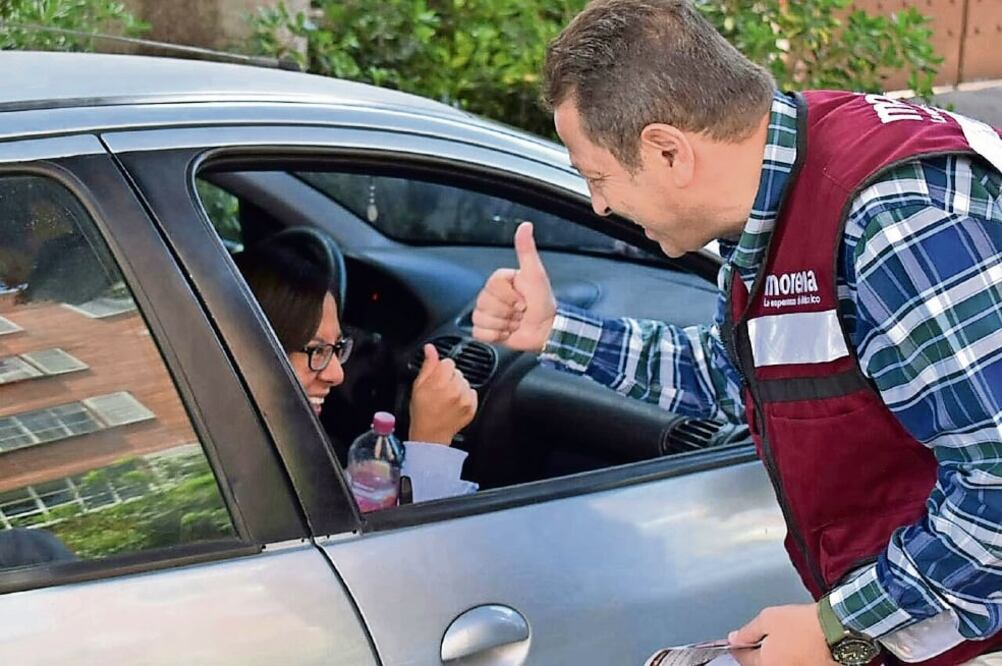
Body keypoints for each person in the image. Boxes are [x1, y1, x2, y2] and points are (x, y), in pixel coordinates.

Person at [471, 1, 1002, 664]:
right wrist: (558, 332)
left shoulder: (894, 221)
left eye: (596, 176)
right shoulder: (776, 200)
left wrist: (838, 627)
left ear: (666, 150)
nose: (600, 205)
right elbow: (745, 376)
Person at [235, 230, 478, 503]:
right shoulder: (245, 479)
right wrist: (431, 445)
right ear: (247, 349)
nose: (336, 374)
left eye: (337, 348)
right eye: (316, 350)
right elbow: (416, 545)